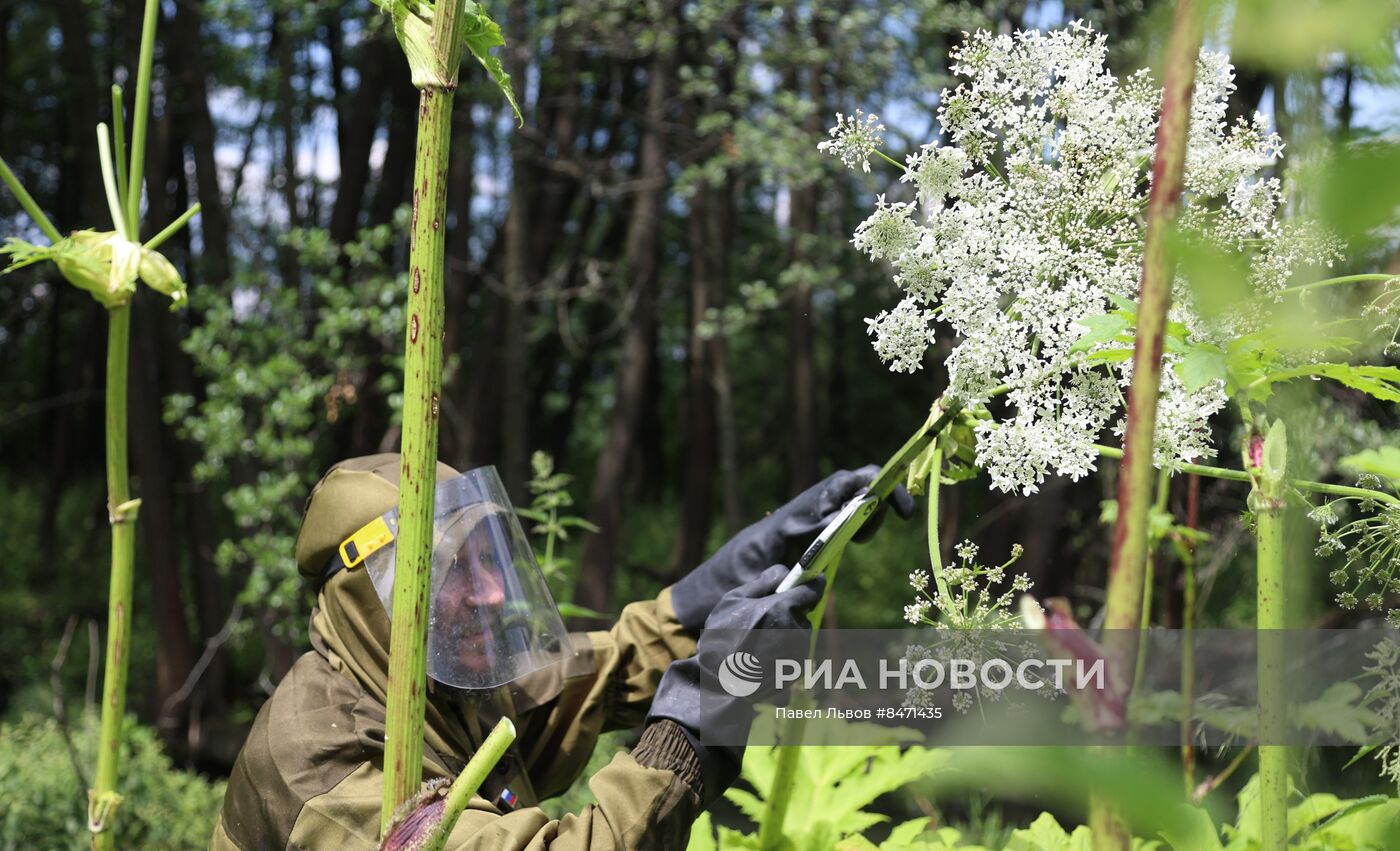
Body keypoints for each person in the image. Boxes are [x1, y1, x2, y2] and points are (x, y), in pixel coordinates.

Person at [212, 453, 899, 850]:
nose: (487, 593)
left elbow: (621, 661)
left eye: (490, 560)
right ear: (372, 598)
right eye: (454, 571)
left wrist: (773, 547)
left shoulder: (444, 681)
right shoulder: (322, 764)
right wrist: (706, 712)